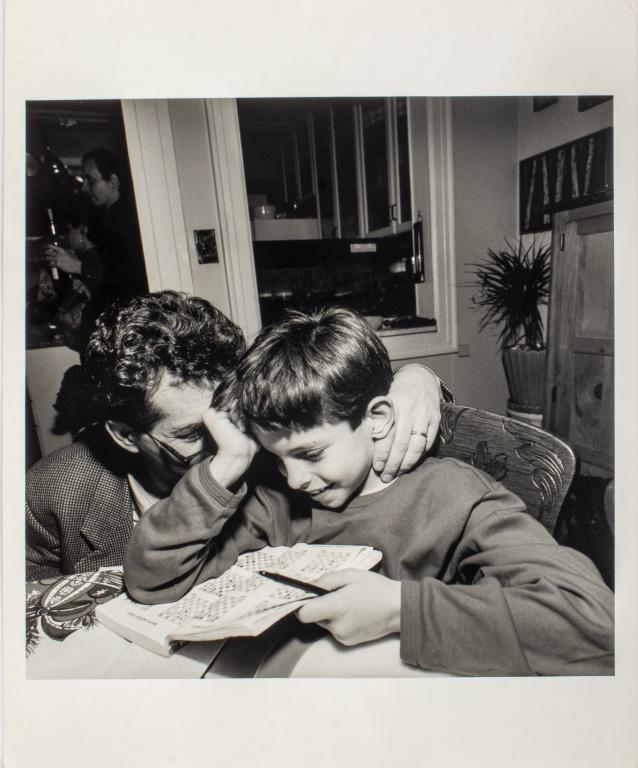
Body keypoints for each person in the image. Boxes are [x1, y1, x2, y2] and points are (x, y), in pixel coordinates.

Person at [124, 307, 614, 676]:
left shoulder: (454, 495)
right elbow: (152, 584)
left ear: (376, 419)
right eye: (277, 457)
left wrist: (400, 610)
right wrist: (226, 465)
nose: (295, 479)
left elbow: (597, 626)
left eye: (311, 453)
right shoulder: (273, 499)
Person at [26, 292, 448, 580]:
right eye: (195, 433)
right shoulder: (49, 493)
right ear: (125, 435)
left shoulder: (281, 463)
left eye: (232, 415)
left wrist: (419, 378)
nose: (230, 442)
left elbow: (343, 404)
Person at [80, 147, 147, 301]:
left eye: (90, 181)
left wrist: (77, 266)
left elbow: (125, 274)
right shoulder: (107, 216)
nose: (83, 188)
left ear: (112, 181)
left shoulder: (123, 220)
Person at [43, 197, 106, 351]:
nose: (66, 235)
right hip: (89, 343)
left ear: (84, 229)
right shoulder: (83, 260)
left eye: (70, 229)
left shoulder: (95, 260)